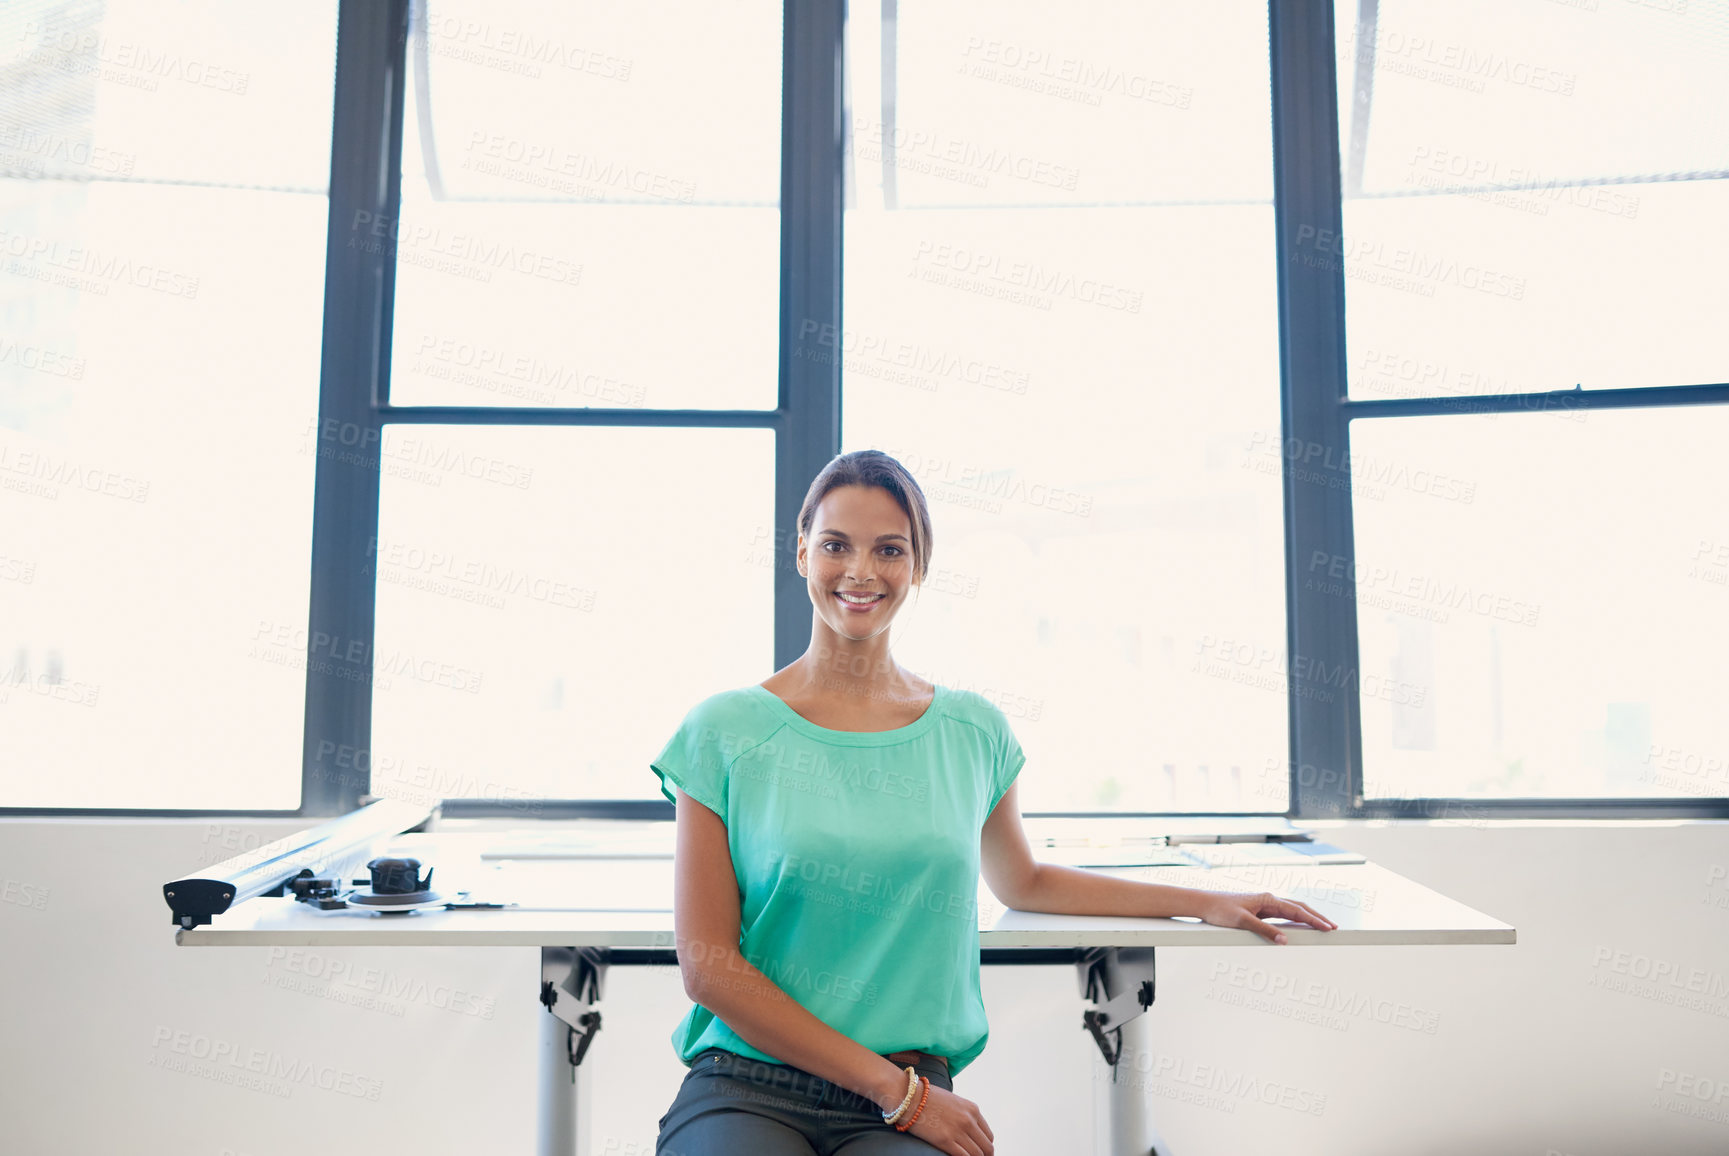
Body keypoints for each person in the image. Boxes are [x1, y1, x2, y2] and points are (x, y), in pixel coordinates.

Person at [649, 450, 1336, 1156]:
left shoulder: (971, 730)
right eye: (835, 545)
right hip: (750, 1084)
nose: (860, 571)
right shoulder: (724, 731)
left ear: (917, 567)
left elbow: (1024, 881)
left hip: (906, 1087)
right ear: (801, 554)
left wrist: (1203, 900)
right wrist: (901, 1096)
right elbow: (708, 965)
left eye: (889, 549)